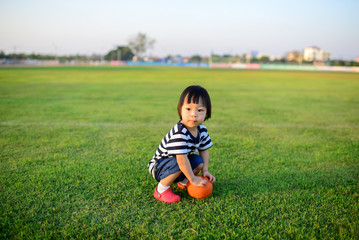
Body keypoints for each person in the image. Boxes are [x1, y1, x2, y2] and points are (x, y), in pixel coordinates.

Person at [148, 85, 216, 203]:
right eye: (188, 109)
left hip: (177, 163)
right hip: (159, 166)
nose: (193, 114)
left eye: (200, 110)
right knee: (181, 162)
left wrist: (205, 170)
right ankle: (161, 189)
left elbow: (204, 150)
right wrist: (193, 178)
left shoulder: (202, 130)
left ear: (207, 113)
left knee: (198, 161)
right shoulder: (179, 132)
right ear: (180, 110)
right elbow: (181, 160)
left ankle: (183, 182)